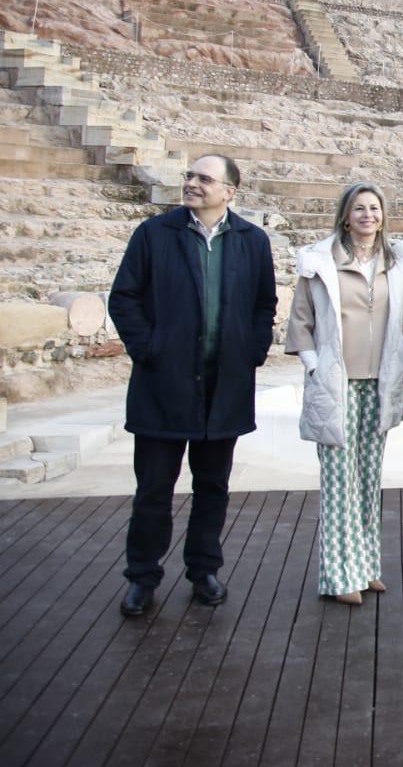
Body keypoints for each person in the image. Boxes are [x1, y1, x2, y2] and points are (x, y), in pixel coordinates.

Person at [108, 154, 277, 618]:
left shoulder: (252, 240)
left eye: (205, 178)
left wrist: (252, 350)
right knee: (153, 490)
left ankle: (203, 570)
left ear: (230, 192)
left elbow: (266, 303)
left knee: (212, 487)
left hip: (224, 386)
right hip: (163, 386)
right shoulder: (153, 234)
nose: (192, 184)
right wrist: (151, 350)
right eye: (189, 176)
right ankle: (142, 577)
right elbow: (123, 299)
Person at [285, 182, 403, 605]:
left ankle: (366, 567)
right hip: (336, 384)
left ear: (383, 215)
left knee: (368, 480)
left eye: (375, 208)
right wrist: (315, 365)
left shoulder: (395, 263)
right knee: (338, 483)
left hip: (378, 384)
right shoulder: (318, 262)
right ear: (346, 216)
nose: (368, 215)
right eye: (359, 208)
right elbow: (300, 321)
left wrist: (401, 350)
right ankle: (340, 576)